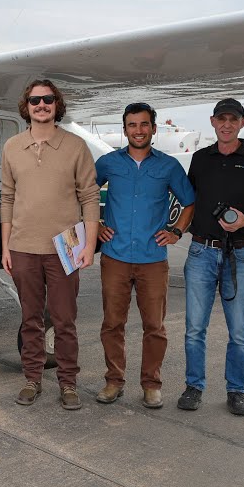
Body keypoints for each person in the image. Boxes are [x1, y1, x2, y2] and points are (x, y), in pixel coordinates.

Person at [178, 98, 244, 416]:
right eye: (221, 119)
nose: (226, 124)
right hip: (200, 252)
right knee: (195, 327)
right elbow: (189, 202)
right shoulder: (199, 159)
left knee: (239, 330)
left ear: (241, 123)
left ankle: (236, 391)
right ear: (212, 122)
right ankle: (194, 386)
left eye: (233, 119)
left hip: (240, 254)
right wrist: (175, 230)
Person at [0, 79, 100, 410]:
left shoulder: (75, 146)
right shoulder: (12, 146)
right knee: (31, 318)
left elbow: (89, 196)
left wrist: (89, 244)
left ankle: (68, 383)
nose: (41, 105)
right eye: (34, 100)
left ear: (56, 104)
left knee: (64, 320)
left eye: (47, 100)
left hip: (66, 246)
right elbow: (9, 198)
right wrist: (5, 246)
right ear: (26, 106)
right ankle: (32, 378)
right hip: (23, 245)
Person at [94, 102, 196, 410]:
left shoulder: (168, 166)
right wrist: (96, 224)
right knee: (113, 323)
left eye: (143, 124)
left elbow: (189, 202)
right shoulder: (108, 163)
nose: (138, 130)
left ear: (153, 128)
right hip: (115, 256)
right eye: (132, 125)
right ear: (124, 130)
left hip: (153, 259)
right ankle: (114, 381)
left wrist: (176, 231)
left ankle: (151, 384)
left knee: (154, 325)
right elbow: (83, 193)